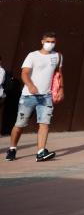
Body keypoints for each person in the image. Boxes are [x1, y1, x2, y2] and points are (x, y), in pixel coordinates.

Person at [7, 32, 63, 162]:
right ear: (42, 41)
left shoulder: (57, 56)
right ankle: (12, 148)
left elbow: (59, 73)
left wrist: (60, 89)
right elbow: (24, 73)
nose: (51, 44)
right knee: (20, 125)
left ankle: (41, 152)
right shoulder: (32, 55)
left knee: (44, 124)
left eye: (53, 42)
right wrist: (30, 85)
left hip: (46, 96)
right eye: (48, 41)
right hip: (28, 96)